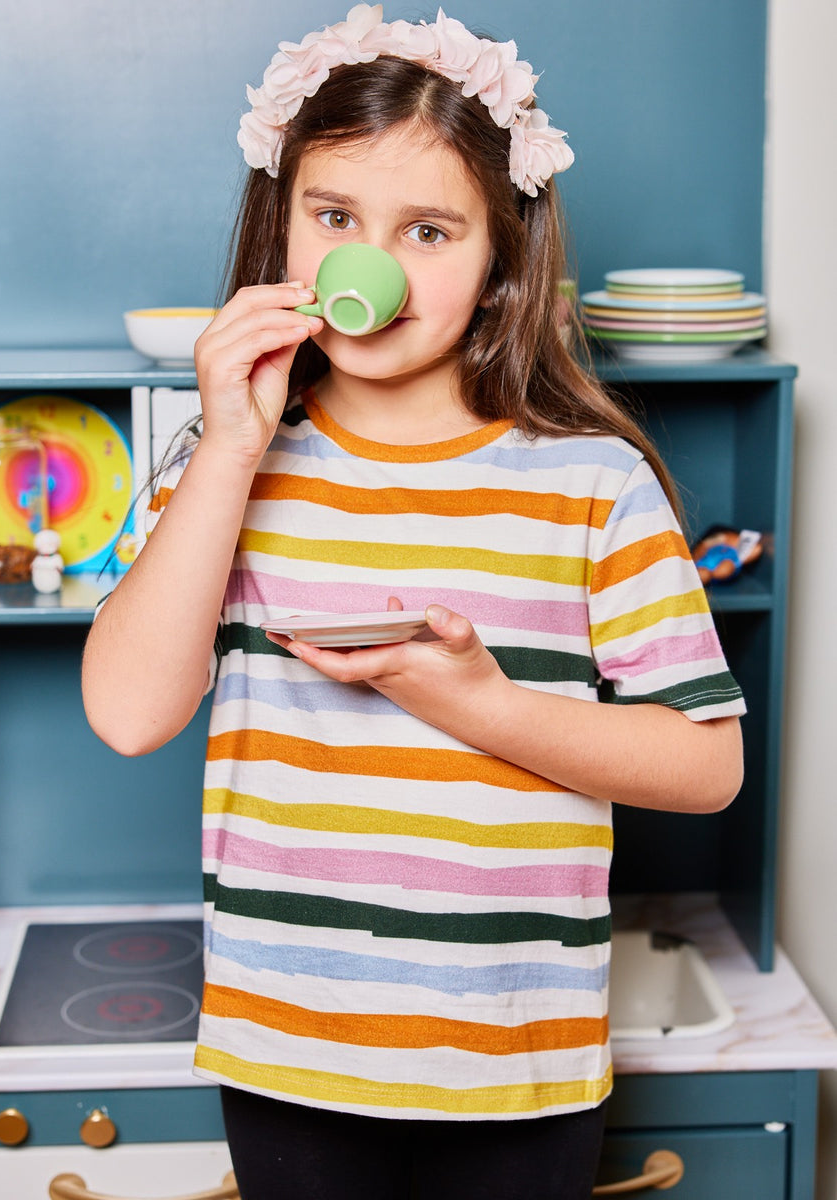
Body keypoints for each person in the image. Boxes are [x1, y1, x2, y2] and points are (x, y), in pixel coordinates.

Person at [82, 6, 745, 1197]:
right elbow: (129, 715)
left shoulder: (590, 480)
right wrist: (230, 448)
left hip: (513, 1059)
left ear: (500, 267)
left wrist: (476, 703)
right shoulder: (226, 462)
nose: (367, 265)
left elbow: (706, 769)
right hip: (288, 1049)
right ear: (283, 232)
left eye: (428, 231)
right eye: (335, 219)